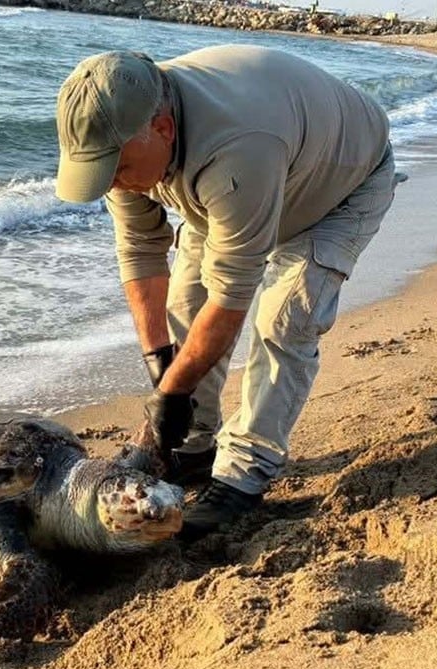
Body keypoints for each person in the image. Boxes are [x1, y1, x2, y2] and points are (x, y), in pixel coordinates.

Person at [54, 44, 400, 539]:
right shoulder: (124, 133)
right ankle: (195, 448)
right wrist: (161, 365)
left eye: (118, 169)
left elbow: (232, 297)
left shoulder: (239, 146)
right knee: (184, 307)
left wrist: (173, 392)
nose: (113, 184)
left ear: (163, 130)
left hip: (340, 186)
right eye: (100, 170)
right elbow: (140, 252)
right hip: (238, 187)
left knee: (284, 320)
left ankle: (244, 475)